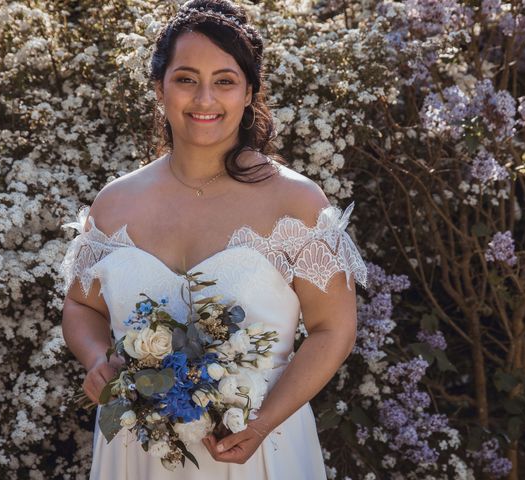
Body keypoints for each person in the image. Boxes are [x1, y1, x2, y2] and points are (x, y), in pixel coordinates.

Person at [59, 1, 368, 478]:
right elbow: (82, 307)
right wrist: (99, 358)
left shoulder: (295, 201)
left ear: (248, 93)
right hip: (135, 454)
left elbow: (334, 330)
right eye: (185, 79)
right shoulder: (114, 203)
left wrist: (262, 425)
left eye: (224, 81)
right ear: (160, 89)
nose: (205, 99)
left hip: (259, 449)